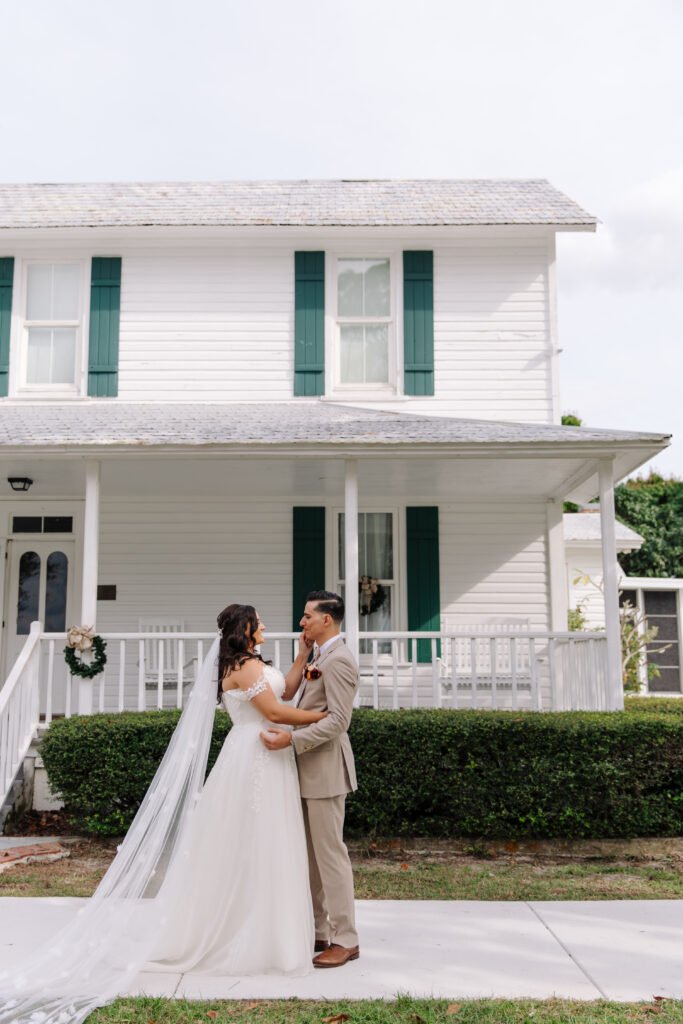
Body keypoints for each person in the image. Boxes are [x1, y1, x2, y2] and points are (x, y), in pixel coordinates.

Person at [148, 603, 328, 976]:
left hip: (270, 754)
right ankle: (245, 933)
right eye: (258, 621)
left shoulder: (254, 663)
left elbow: (287, 692)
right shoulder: (242, 667)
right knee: (254, 839)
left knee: (272, 839)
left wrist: (301, 657)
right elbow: (275, 713)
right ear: (244, 628)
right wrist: (324, 719)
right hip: (253, 754)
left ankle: (273, 932)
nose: (263, 624)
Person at [260, 590, 360, 968]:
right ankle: (319, 930)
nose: (301, 623)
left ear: (326, 621)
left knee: (331, 856)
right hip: (304, 770)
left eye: (307, 617)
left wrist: (292, 740)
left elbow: (338, 721)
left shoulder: (340, 661)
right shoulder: (319, 656)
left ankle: (346, 939)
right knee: (311, 858)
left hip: (326, 771)